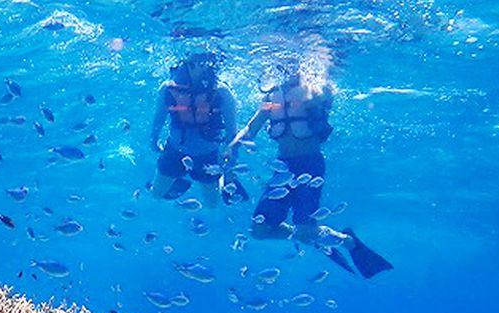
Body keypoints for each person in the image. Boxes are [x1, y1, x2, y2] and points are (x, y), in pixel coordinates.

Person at [227, 69, 392, 278]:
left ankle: (348, 242)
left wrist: (315, 82)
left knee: (305, 231)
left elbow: (326, 94)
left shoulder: (313, 89)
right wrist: (232, 146)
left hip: (310, 165)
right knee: (259, 230)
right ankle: (315, 236)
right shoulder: (271, 97)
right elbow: (251, 127)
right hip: (282, 167)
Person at [149, 52, 240, 206]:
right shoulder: (168, 88)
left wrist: (230, 159)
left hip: (208, 154)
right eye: (196, 59)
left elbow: (232, 130)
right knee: (156, 194)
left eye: (205, 60)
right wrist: (153, 139)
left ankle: (220, 180)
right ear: (186, 61)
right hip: (175, 150)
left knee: (212, 204)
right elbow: (159, 116)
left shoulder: (222, 92)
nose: (201, 63)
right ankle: (181, 181)